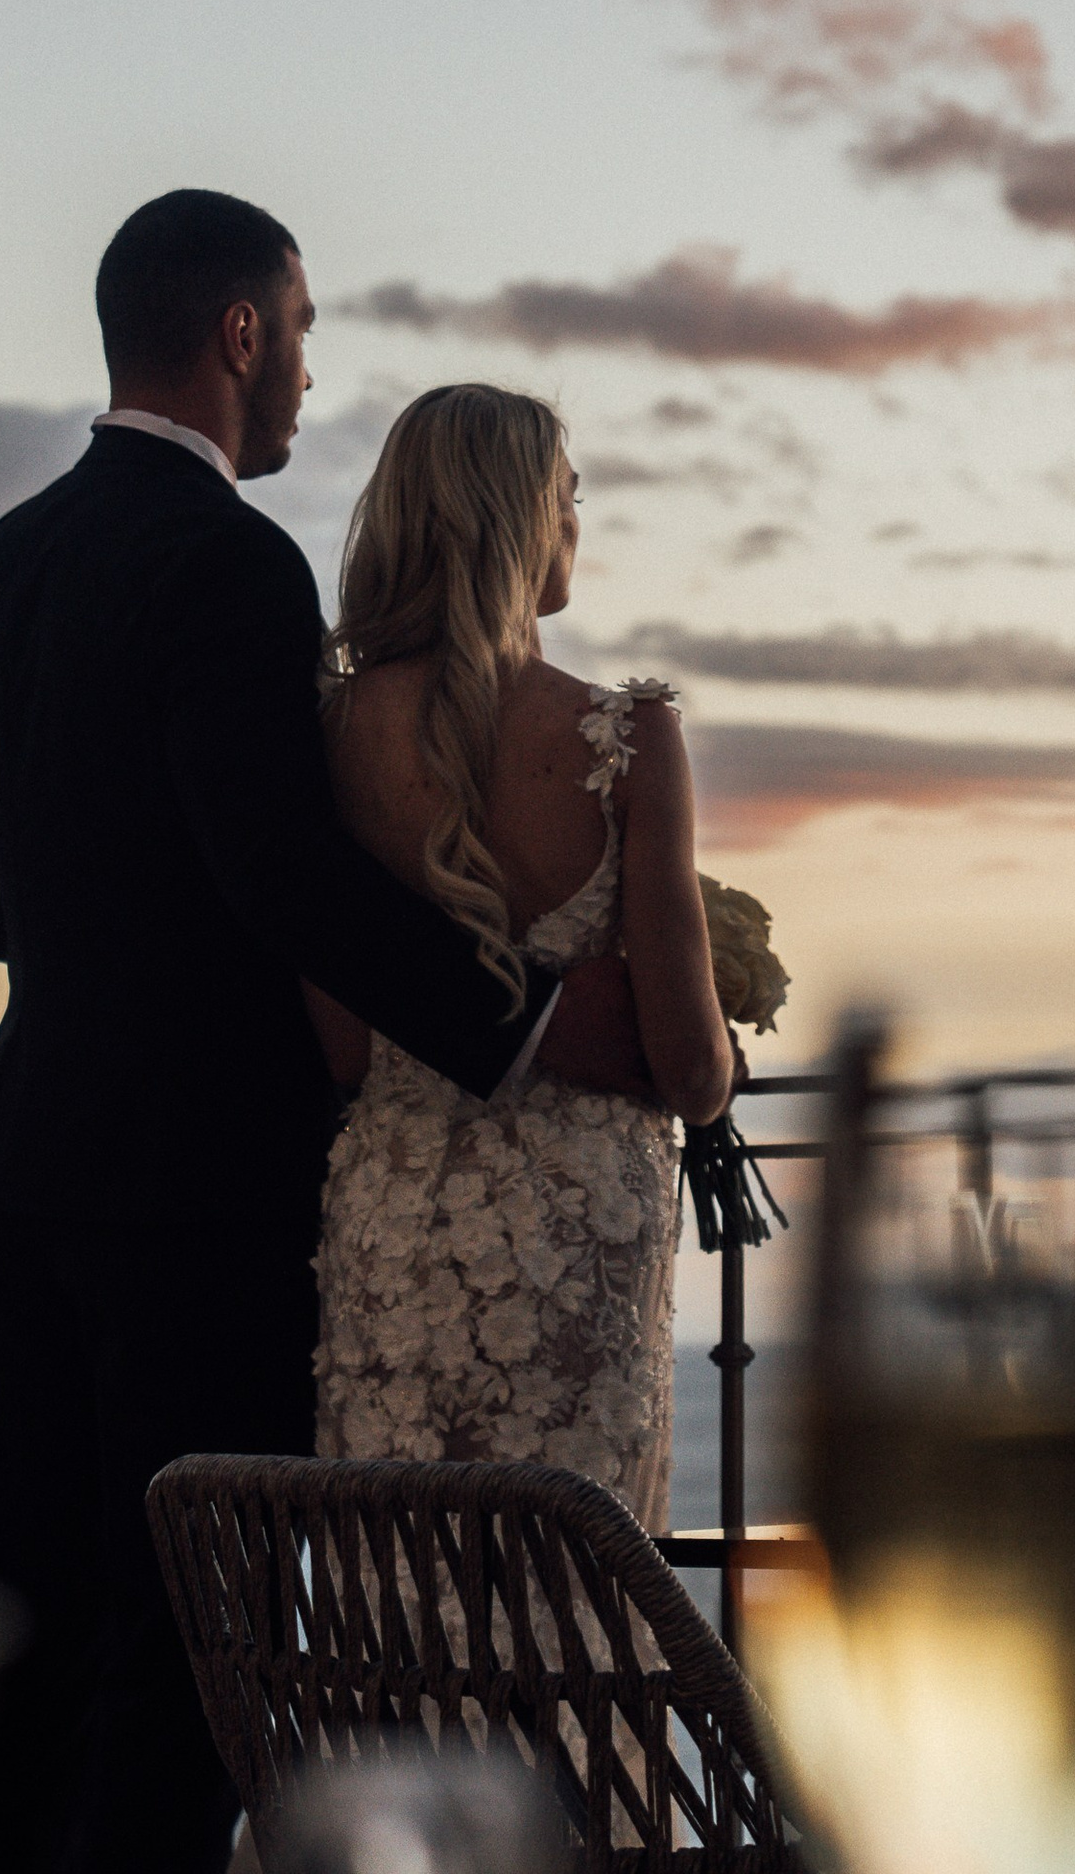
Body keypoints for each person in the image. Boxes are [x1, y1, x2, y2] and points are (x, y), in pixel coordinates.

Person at [0, 195, 657, 1874]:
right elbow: (280, 877)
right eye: (306, 332)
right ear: (240, 334)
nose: (314, 376)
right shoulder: (226, 566)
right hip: (196, 1186)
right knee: (199, 1645)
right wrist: (531, 1018)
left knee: (27, 1639)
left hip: (24, 1171)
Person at [308, 383, 735, 1527]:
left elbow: (339, 1048)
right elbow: (691, 1074)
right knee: (572, 1589)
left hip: (390, 1226)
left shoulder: (327, 734)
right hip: (579, 1246)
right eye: (568, 498)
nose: (576, 525)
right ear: (520, 521)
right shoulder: (626, 736)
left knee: (402, 1598)